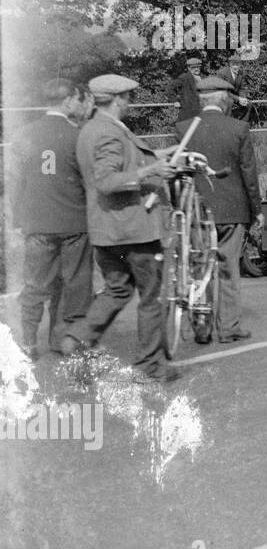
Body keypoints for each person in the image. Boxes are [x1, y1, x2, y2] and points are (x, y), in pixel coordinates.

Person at [60, 74, 181, 382]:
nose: (129, 103)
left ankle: (78, 338)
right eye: (127, 97)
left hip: (107, 231)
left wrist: (156, 156)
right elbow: (106, 180)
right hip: (133, 230)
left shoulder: (92, 129)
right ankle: (148, 366)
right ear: (116, 100)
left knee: (117, 290)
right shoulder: (109, 132)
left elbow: (121, 162)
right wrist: (152, 170)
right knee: (152, 297)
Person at [177, 75, 262, 343]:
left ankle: (202, 326)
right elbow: (249, 174)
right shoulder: (239, 128)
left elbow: (180, 171)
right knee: (228, 267)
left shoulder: (183, 128)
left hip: (197, 211)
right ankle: (228, 327)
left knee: (199, 266)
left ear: (202, 100)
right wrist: (256, 209)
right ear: (225, 100)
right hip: (232, 210)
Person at [11, 79, 93, 358]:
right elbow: (88, 182)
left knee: (35, 283)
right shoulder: (78, 135)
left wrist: (19, 219)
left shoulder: (24, 134)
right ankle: (65, 340)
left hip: (38, 223)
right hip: (74, 222)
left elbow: (16, 181)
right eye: (76, 99)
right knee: (74, 283)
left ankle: (28, 342)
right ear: (68, 101)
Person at [213, 56, 252, 121]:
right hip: (222, 96)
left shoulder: (241, 73)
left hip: (234, 97)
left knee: (249, 103)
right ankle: (227, 124)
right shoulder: (222, 73)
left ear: (240, 65)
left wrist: (243, 98)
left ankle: (242, 124)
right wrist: (238, 99)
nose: (235, 67)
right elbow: (223, 91)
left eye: (237, 64)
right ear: (230, 64)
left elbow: (242, 88)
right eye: (233, 64)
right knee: (230, 102)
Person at [170, 53, 204, 123]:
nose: (197, 69)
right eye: (194, 67)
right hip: (187, 112)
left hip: (199, 112)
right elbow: (170, 88)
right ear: (189, 68)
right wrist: (175, 101)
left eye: (198, 67)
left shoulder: (201, 78)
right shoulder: (184, 78)